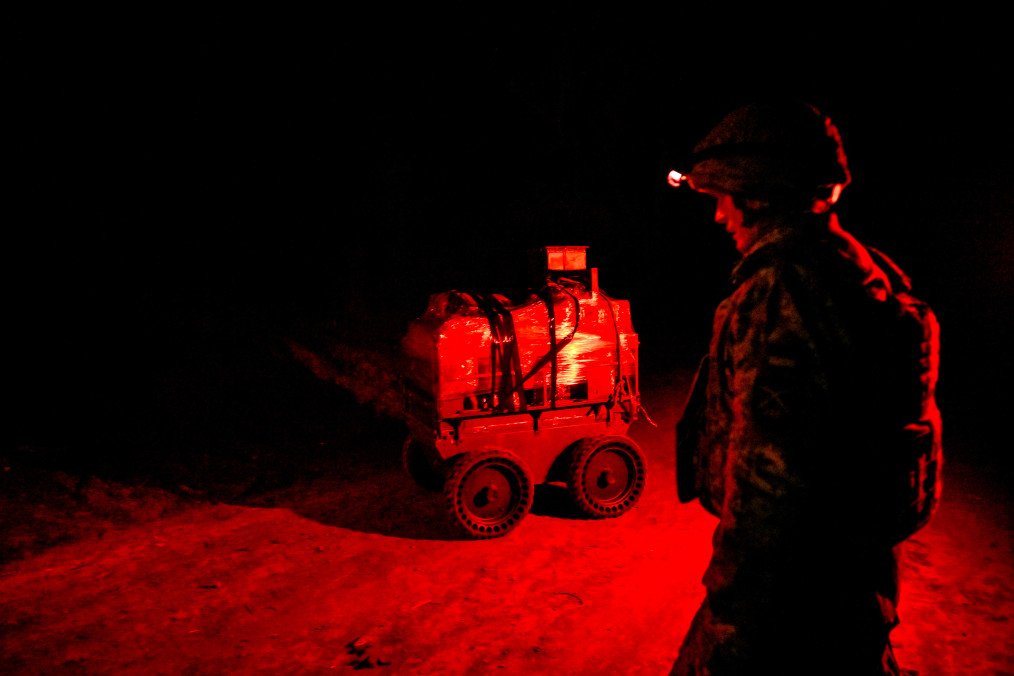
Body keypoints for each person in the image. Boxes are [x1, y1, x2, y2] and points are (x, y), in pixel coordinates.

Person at [668, 100, 941, 674]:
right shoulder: (859, 267)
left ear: (756, 192)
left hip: (791, 593)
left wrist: (730, 606)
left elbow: (770, 479)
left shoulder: (781, 291)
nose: (720, 218)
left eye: (722, 198)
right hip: (855, 570)